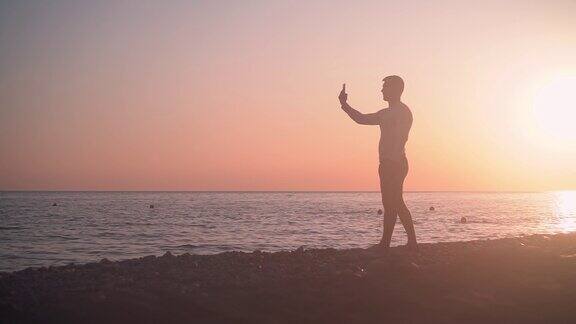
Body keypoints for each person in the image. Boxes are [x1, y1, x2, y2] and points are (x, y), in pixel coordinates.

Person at [338, 76, 417, 250]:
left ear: (396, 89)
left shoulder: (403, 112)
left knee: (395, 201)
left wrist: (393, 159)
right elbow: (361, 119)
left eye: (385, 87)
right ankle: (386, 243)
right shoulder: (385, 113)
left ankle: (411, 242)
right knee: (389, 203)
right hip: (387, 162)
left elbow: (402, 136)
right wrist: (345, 105)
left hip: (395, 162)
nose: (382, 90)